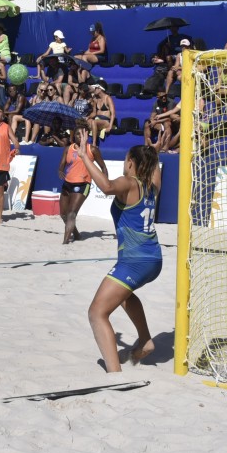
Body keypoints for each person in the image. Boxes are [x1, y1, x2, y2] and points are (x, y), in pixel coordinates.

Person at [76, 136, 162, 372]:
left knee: (97, 312)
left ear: (132, 163)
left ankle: (114, 374)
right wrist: (154, 152)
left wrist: (85, 157)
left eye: (126, 160)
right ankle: (145, 340)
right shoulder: (152, 186)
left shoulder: (129, 182)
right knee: (123, 294)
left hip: (135, 261)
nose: (124, 164)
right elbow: (155, 169)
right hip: (154, 259)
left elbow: (106, 187)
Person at [59, 123, 104, 244]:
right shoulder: (68, 148)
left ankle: (65, 242)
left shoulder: (92, 149)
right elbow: (63, 163)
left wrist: (105, 183)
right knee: (63, 214)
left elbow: (103, 167)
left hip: (83, 184)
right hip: (67, 183)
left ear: (87, 135)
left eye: (82, 134)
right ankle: (77, 234)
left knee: (71, 213)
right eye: (77, 134)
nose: (80, 136)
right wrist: (60, 170)